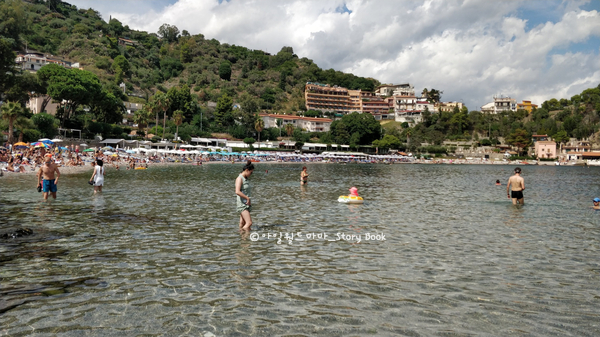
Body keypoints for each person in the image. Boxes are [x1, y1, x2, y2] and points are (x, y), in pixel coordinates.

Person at [235, 160, 254, 231]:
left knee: (242, 222)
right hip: (242, 203)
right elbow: (237, 191)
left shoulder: (245, 179)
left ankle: (242, 240)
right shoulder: (239, 178)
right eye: (251, 172)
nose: (251, 174)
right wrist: (247, 198)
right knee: (249, 223)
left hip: (245, 203)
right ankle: (245, 236)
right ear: (246, 170)